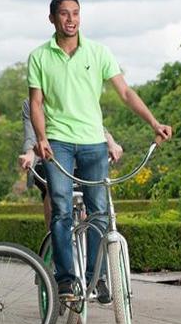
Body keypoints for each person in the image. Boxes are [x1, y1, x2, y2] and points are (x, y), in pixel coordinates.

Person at [27, 0, 172, 303]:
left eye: (76, 13)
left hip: (93, 142)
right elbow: (35, 103)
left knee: (100, 213)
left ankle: (97, 276)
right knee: (61, 210)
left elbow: (126, 93)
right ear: (52, 18)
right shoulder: (39, 56)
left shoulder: (99, 52)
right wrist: (41, 138)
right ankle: (66, 281)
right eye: (64, 14)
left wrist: (154, 122)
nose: (71, 19)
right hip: (58, 141)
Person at [18, 98, 123, 229]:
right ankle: (54, 235)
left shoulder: (72, 94)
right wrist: (29, 154)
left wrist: (111, 143)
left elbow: (94, 125)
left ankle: (88, 235)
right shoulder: (31, 103)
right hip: (48, 158)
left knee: (94, 204)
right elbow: (31, 137)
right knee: (54, 190)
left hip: (80, 159)